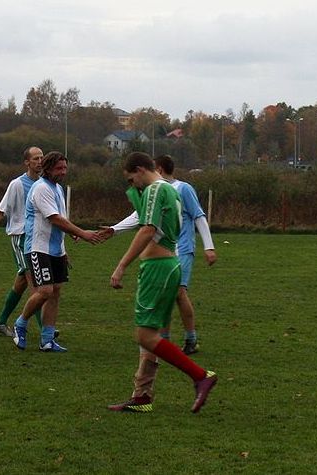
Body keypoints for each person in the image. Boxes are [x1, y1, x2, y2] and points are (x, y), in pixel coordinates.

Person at [107, 152, 216, 413]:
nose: (133, 185)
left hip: (157, 268)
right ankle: (142, 395)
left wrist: (121, 266)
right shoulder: (170, 190)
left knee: (144, 335)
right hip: (170, 265)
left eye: (131, 179)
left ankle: (201, 376)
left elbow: (147, 229)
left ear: (140, 169)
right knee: (153, 335)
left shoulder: (155, 189)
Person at [12, 151, 103, 352]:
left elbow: (61, 217)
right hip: (38, 248)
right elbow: (54, 218)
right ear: (47, 168)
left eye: (65, 168)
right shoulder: (41, 188)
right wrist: (82, 233)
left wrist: (67, 239)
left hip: (55, 250)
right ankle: (20, 324)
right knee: (45, 291)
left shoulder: (58, 189)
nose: (63, 172)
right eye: (59, 168)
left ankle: (47, 339)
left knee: (55, 292)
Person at [153, 155, 217, 354]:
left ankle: (188, 339)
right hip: (163, 251)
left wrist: (209, 247)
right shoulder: (155, 190)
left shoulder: (184, 189)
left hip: (183, 249)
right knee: (166, 295)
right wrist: (114, 229)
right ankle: (169, 342)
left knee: (177, 293)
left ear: (160, 169)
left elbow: (199, 216)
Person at [0, 146, 44, 337]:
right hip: (20, 237)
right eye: (36, 158)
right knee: (35, 283)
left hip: (36, 238)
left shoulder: (43, 184)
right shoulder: (17, 184)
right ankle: (45, 330)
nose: (40, 161)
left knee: (22, 283)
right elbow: (2, 210)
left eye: (42, 158)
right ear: (27, 162)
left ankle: (0, 322)